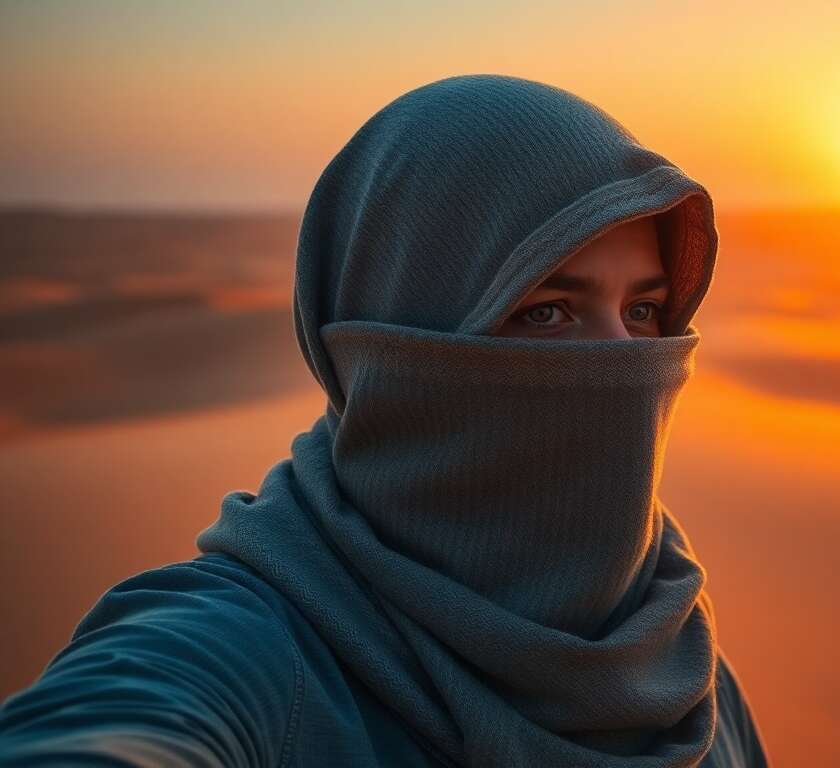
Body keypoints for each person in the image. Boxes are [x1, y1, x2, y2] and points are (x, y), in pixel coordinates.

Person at [0, 74, 770, 767]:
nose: (624, 360)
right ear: (392, 343)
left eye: (643, 310)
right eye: (545, 311)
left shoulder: (674, 658)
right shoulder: (251, 650)